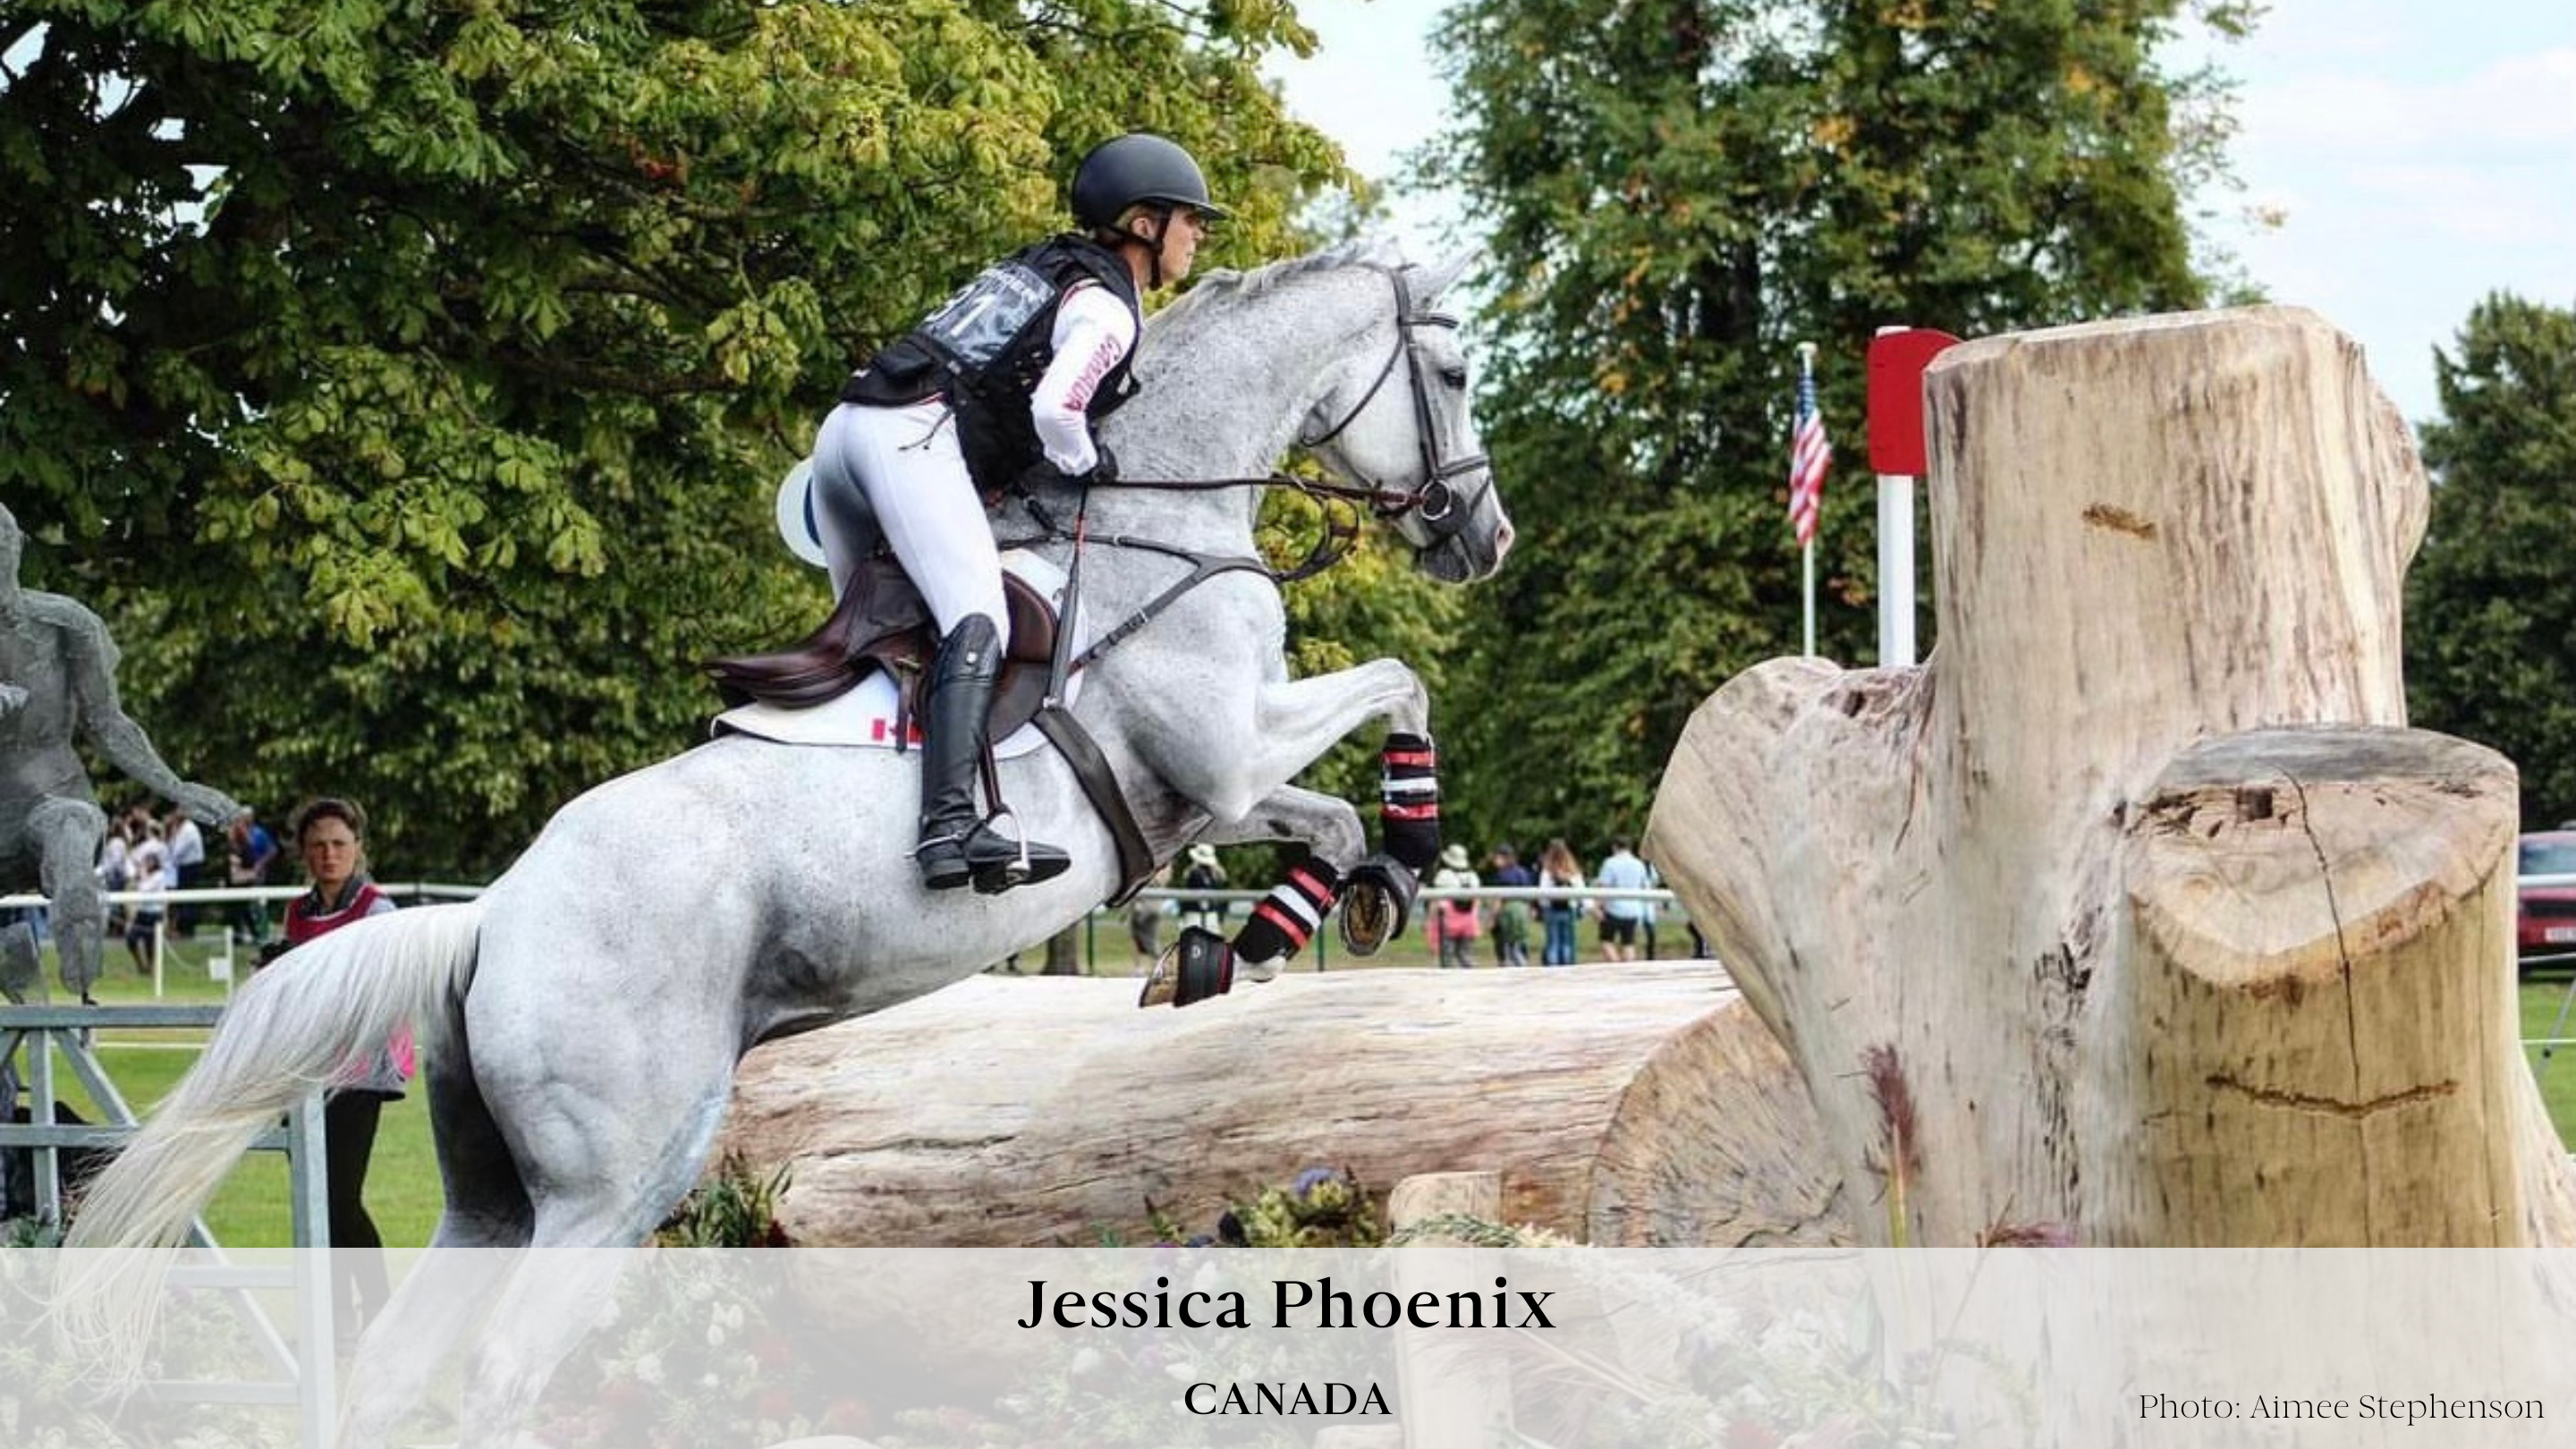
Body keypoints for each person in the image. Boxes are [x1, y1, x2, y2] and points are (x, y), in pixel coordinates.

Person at [808, 132, 1223, 894]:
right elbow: (1057, 410)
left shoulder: (1040, 265)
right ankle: (948, 827)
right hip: (911, 439)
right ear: (1144, 224)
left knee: (875, 632)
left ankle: (845, 801)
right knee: (980, 620)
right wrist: (1085, 462)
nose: (1198, 235)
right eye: (1190, 219)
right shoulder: (1107, 308)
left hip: (843, 435)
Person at [0, 502, 242, 999]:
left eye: (1, 543)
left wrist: (177, 788)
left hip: (52, 794)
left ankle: (81, 981)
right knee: (16, 961)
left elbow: (107, 723)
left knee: (69, 832)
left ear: (18, 546)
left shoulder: (66, 624)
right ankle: (18, 976)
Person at [275, 797, 407, 1337]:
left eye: (338, 844)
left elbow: (388, 992)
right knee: (316, 1199)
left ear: (358, 848)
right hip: (304, 1072)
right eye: (318, 845)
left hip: (360, 1070)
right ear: (304, 853)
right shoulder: (297, 913)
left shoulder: (378, 911)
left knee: (340, 1198)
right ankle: (335, 1320)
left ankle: (380, 1314)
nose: (329, 854)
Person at [225, 807, 281, 945]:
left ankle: (262, 932)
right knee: (243, 905)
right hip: (243, 874)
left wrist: (261, 864)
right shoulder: (237, 833)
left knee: (257, 903)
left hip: (254, 873)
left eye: (247, 816)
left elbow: (272, 850)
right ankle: (247, 933)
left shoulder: (258, 833)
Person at [1595, 836, 1653, 963]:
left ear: (1615, 847)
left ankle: (1616, 965)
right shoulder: (1639, 864)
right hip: (1633, 909)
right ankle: (1628, 967)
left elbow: (1603, 886)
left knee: (1606, 941)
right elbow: (1645, 885)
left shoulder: (1610, 863)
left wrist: (1597, 907)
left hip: (1613, 909)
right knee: (1628, 943)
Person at [1427, 843, 1482, 969]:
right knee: (1465, 956)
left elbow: (1436, 900)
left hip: (1448, 921)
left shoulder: (1444, 876)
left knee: (1447, 957)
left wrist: (1429, 919)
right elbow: (1477, 901)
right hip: (1469, 921)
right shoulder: (1473, 876)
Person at [1537, 838, 1586, 967]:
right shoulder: (1573, 871)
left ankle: (1553, 970)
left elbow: (1542, 895)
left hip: (1551, 909)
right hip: (1569, 909)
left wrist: (1542, 907)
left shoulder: (1547, 871)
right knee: (1568, 943)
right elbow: (1582, 892)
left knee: (1552, 943)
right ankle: (1568, 969)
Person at [1487, 843, 1535, 968]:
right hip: (1522, 913)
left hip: (1507, 915)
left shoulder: (1503, 875)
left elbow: (1499, 899)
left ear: (1504, 858)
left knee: (1507, 948)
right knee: (1520, 944)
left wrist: (1492, 918)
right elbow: (1528, 896)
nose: (1494, 860)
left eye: (1496, 857)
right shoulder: (1522, 872)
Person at [1127, 864, 1174, 972]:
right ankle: (1140, 968)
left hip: (1149, 907)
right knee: (1136, 938)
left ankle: (1159, 966)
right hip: (1142, 905)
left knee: (1151, 940)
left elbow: (1160, 881)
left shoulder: (1163, 864)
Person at [1177, 843, 1230, 936]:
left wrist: (1181, 914)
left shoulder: (1193, 873)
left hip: (1194, 913)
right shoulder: (1216, 874)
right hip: (1210, 913)